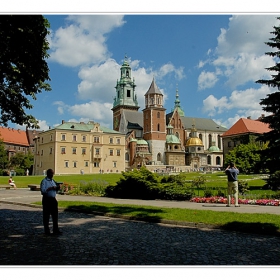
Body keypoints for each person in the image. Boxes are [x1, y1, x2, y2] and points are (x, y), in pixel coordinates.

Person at [40, 169, 62, 235]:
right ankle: (47, 231)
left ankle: (56, 229)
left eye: (53, 174)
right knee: (46, 216)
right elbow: (43, 191)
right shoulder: (44, 181)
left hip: (53, 199)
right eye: (51, 174)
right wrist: (50, 188)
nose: (52, 175)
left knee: (55, 215)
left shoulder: (53, 181)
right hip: (47, 199)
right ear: (48, 174)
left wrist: (57, 188)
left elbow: (56, 190)